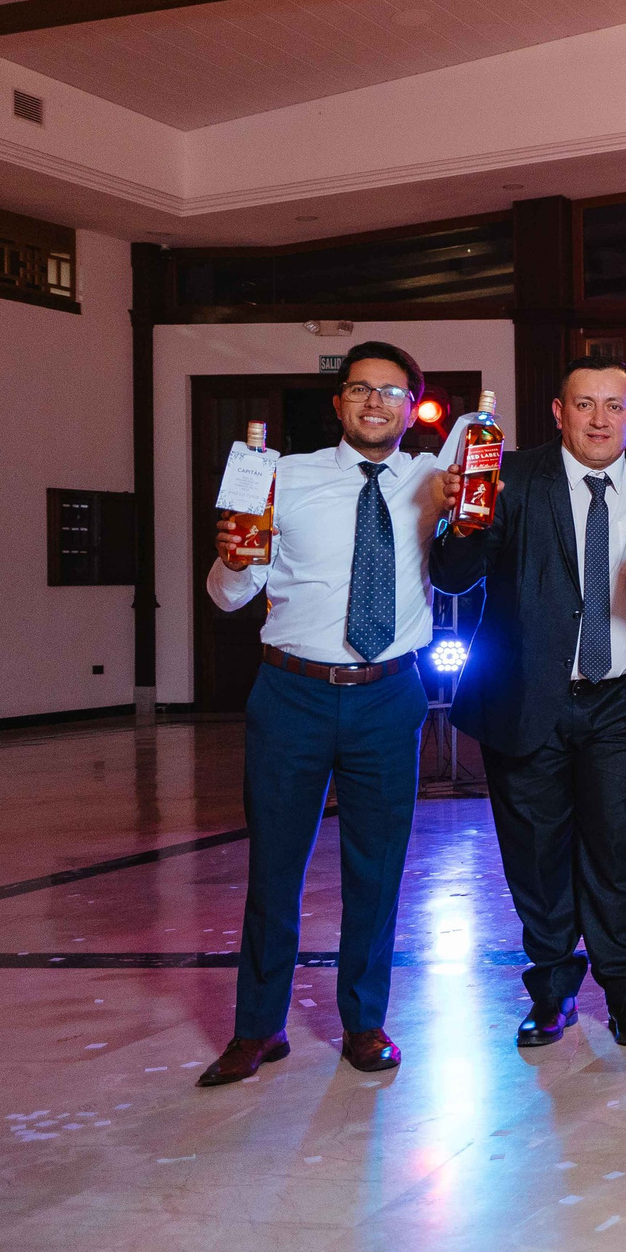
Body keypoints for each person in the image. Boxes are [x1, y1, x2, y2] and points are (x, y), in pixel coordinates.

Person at [198, 342, 442, 1086]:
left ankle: (364, 1022)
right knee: (274, 864)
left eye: (392, 391)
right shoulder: (283, 476)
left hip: (388, 691)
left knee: (378, 866)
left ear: (412, 406)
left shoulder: (436, 481)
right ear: (338, 403)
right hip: (292, 691)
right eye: (360, 389)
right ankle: (258, 1027)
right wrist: (234, 562)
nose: (376, 403)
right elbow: (227, 596)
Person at [430, 355, 626, 1050]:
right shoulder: (507, 478)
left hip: (620, 697)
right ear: (559, 413)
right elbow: (451, 576)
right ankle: (554, 990)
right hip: (525, 695)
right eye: (584, 404)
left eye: (614, 406)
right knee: (534, 854)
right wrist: (463, 521)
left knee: (616, 852)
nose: (599, 419)